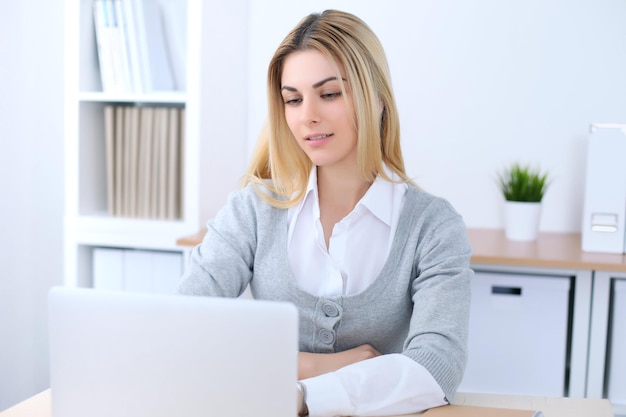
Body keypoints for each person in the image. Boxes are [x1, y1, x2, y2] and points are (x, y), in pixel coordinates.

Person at [177, 9, 473, 417]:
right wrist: (320, 365)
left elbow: (438, 367)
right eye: (293, 99)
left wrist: (301, 395)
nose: (307, 116)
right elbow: (180, 328)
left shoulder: (434, 227)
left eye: (329, 93)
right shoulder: (252, 209)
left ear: (377, 97)